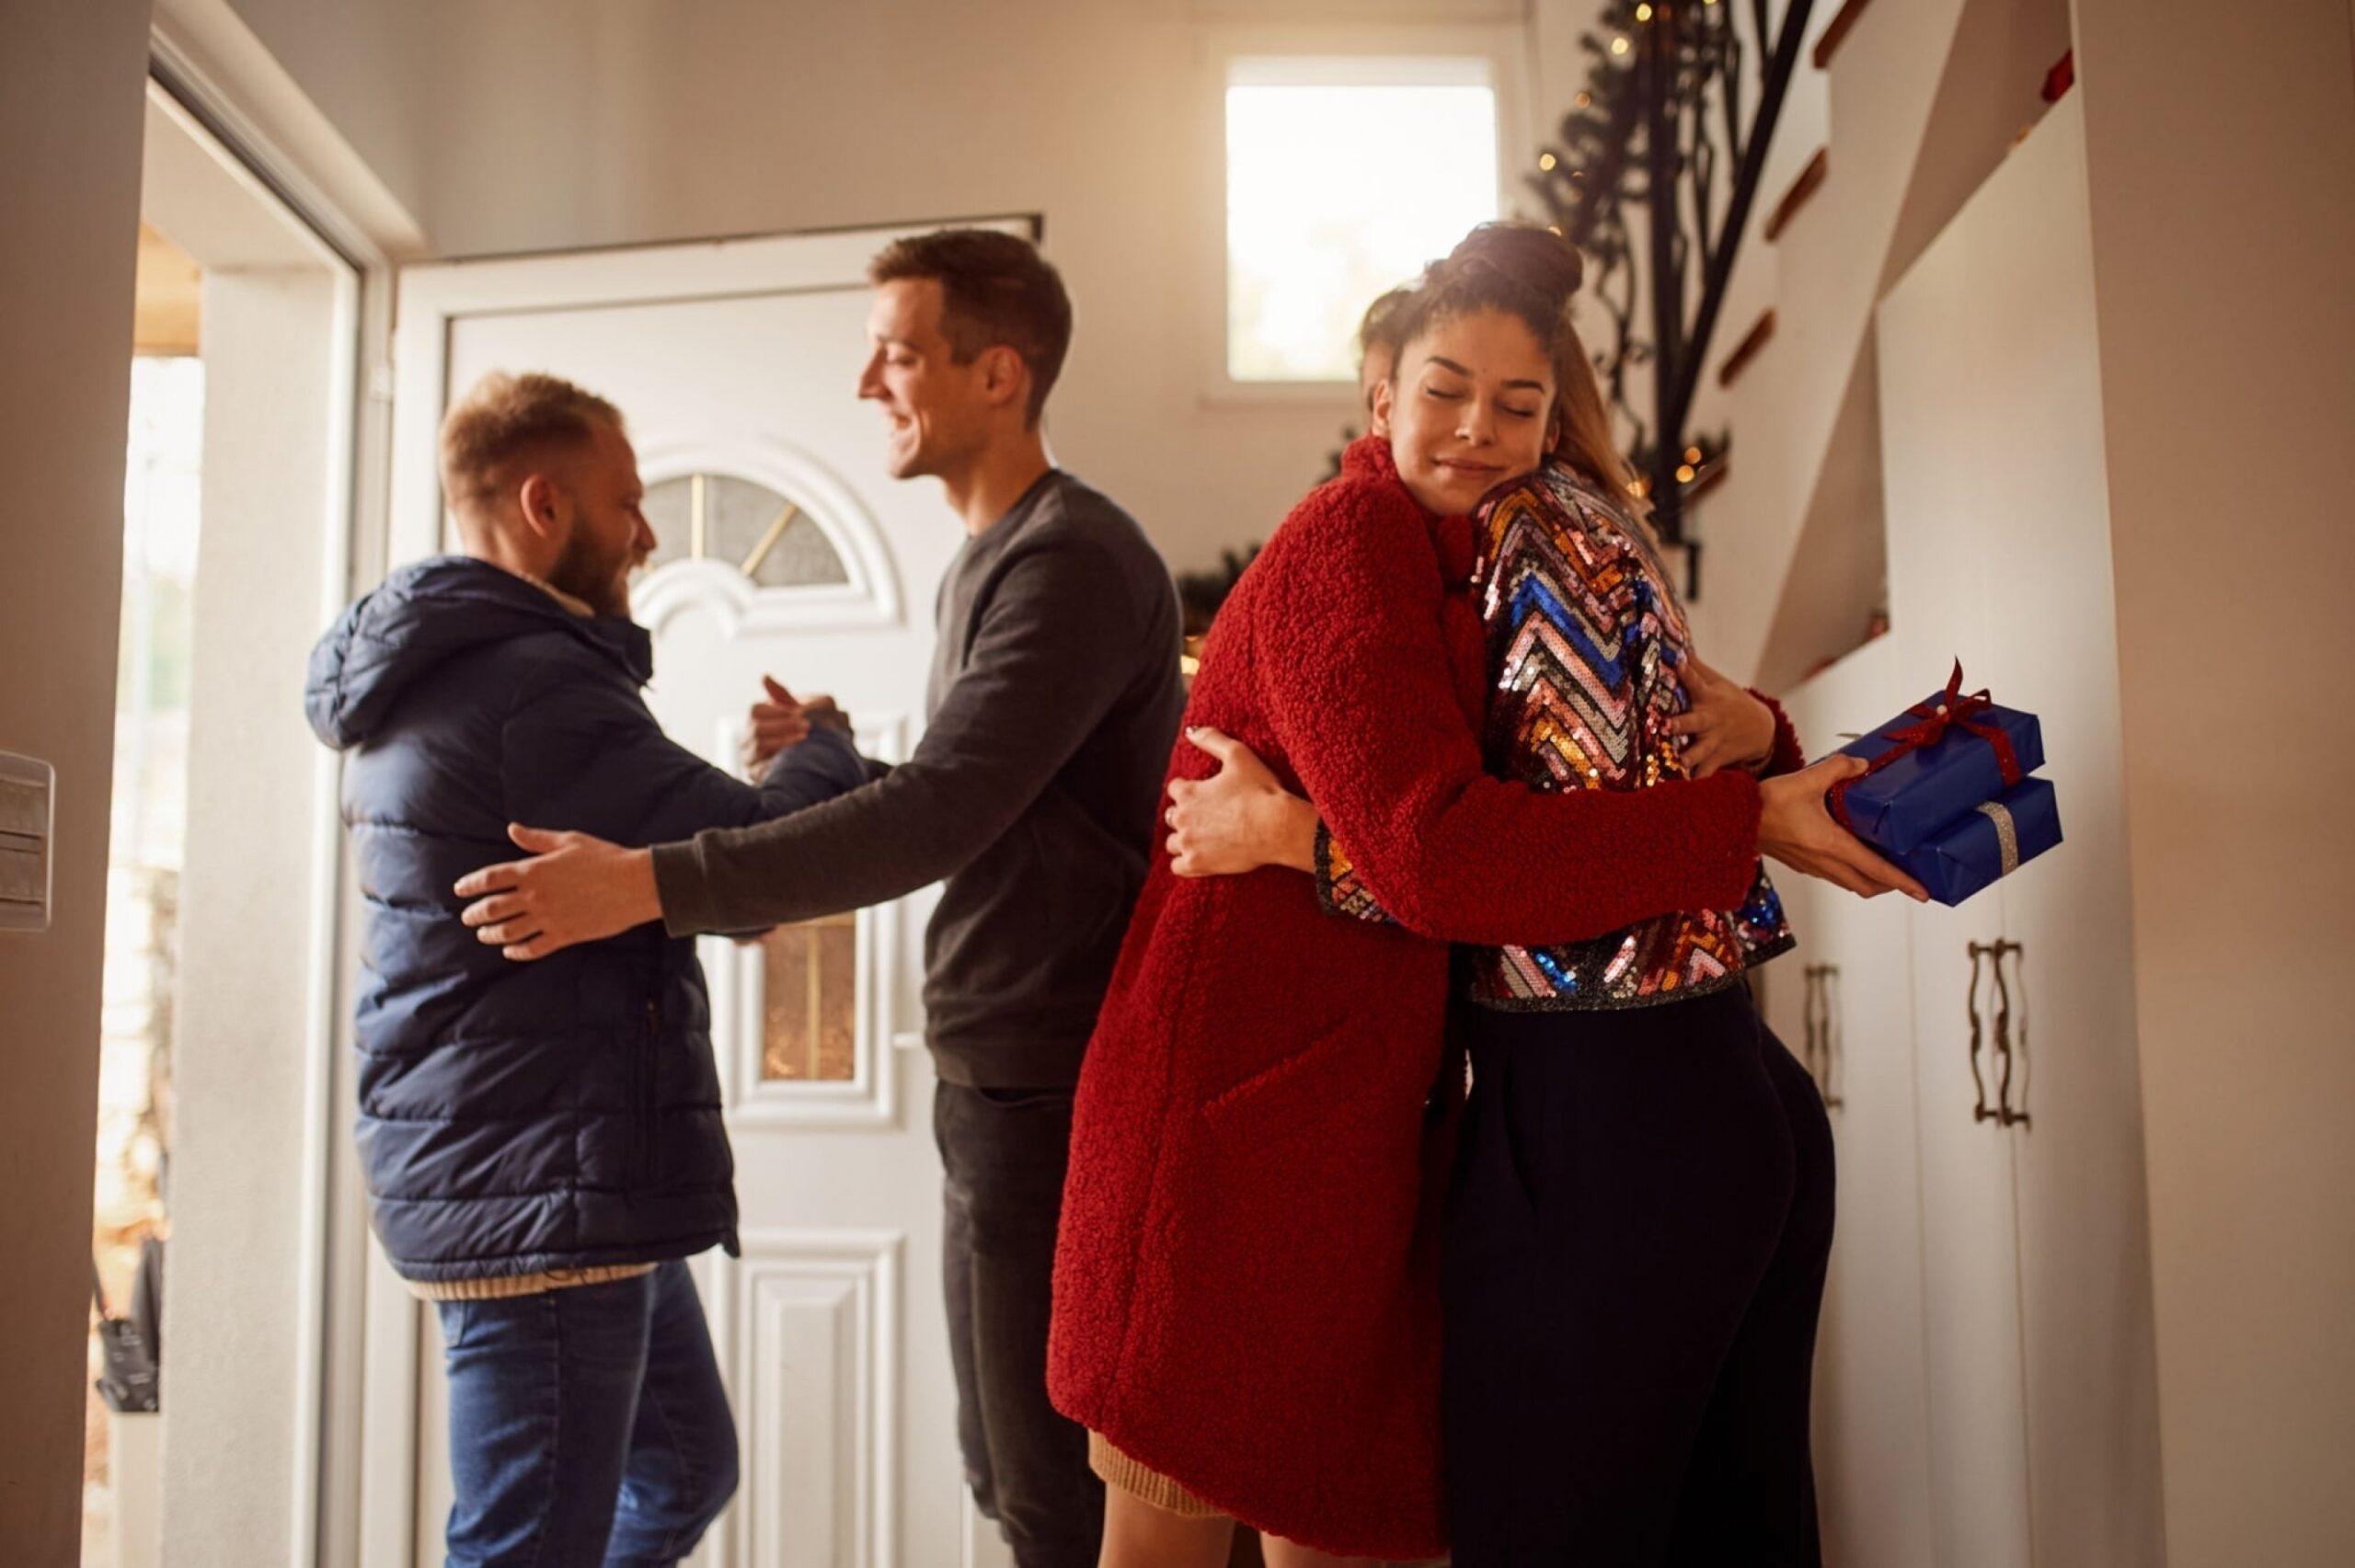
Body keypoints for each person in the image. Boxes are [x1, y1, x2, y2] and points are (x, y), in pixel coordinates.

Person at [1047, 223, 1924, 1567]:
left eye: (1517, 404)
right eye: (1445, 389)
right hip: (1230, 1138)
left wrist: (1761, 737)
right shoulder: (1350, 541)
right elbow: (1441, 855)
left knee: (1355, 1524)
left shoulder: (1520, 548)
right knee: (1181, 1530)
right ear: (1381, 392)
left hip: (1362, 1138)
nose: (1476, 428)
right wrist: (1745, 820)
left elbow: (1605, 756)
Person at [449, 230, 1187, 1568]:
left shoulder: (1067, 559)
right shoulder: (992, 561)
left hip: (1063, 1081)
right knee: (1006, 1466)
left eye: (898, 351)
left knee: (1057, 1496)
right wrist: (849, 760)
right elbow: (1008, 803)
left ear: (1000, 372)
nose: (867, 381)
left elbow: (947, 814)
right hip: (1002, 1077)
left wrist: (647, 886)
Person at [304, 371, 867, 1565]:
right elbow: (764, 870)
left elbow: (695, 860)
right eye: (629, 501)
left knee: (683, 1466)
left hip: (549, 1170)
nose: (650, 532)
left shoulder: (461, 668)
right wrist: (825, 747)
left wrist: (765, 791)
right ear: (545, 504)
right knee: (527, 1546)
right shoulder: (533, 684)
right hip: (544, 1181)